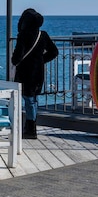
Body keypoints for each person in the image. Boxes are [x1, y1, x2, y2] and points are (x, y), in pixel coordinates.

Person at [11, 8, 59, 139]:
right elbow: (54, 52)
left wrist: (14, 60)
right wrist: (41, 60)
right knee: (33, 99)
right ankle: (31, 127)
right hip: (38, 73)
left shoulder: (23, 35)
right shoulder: (43, 35)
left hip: (25, 73)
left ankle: (30, 129)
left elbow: (17, 57)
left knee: (28, 99)